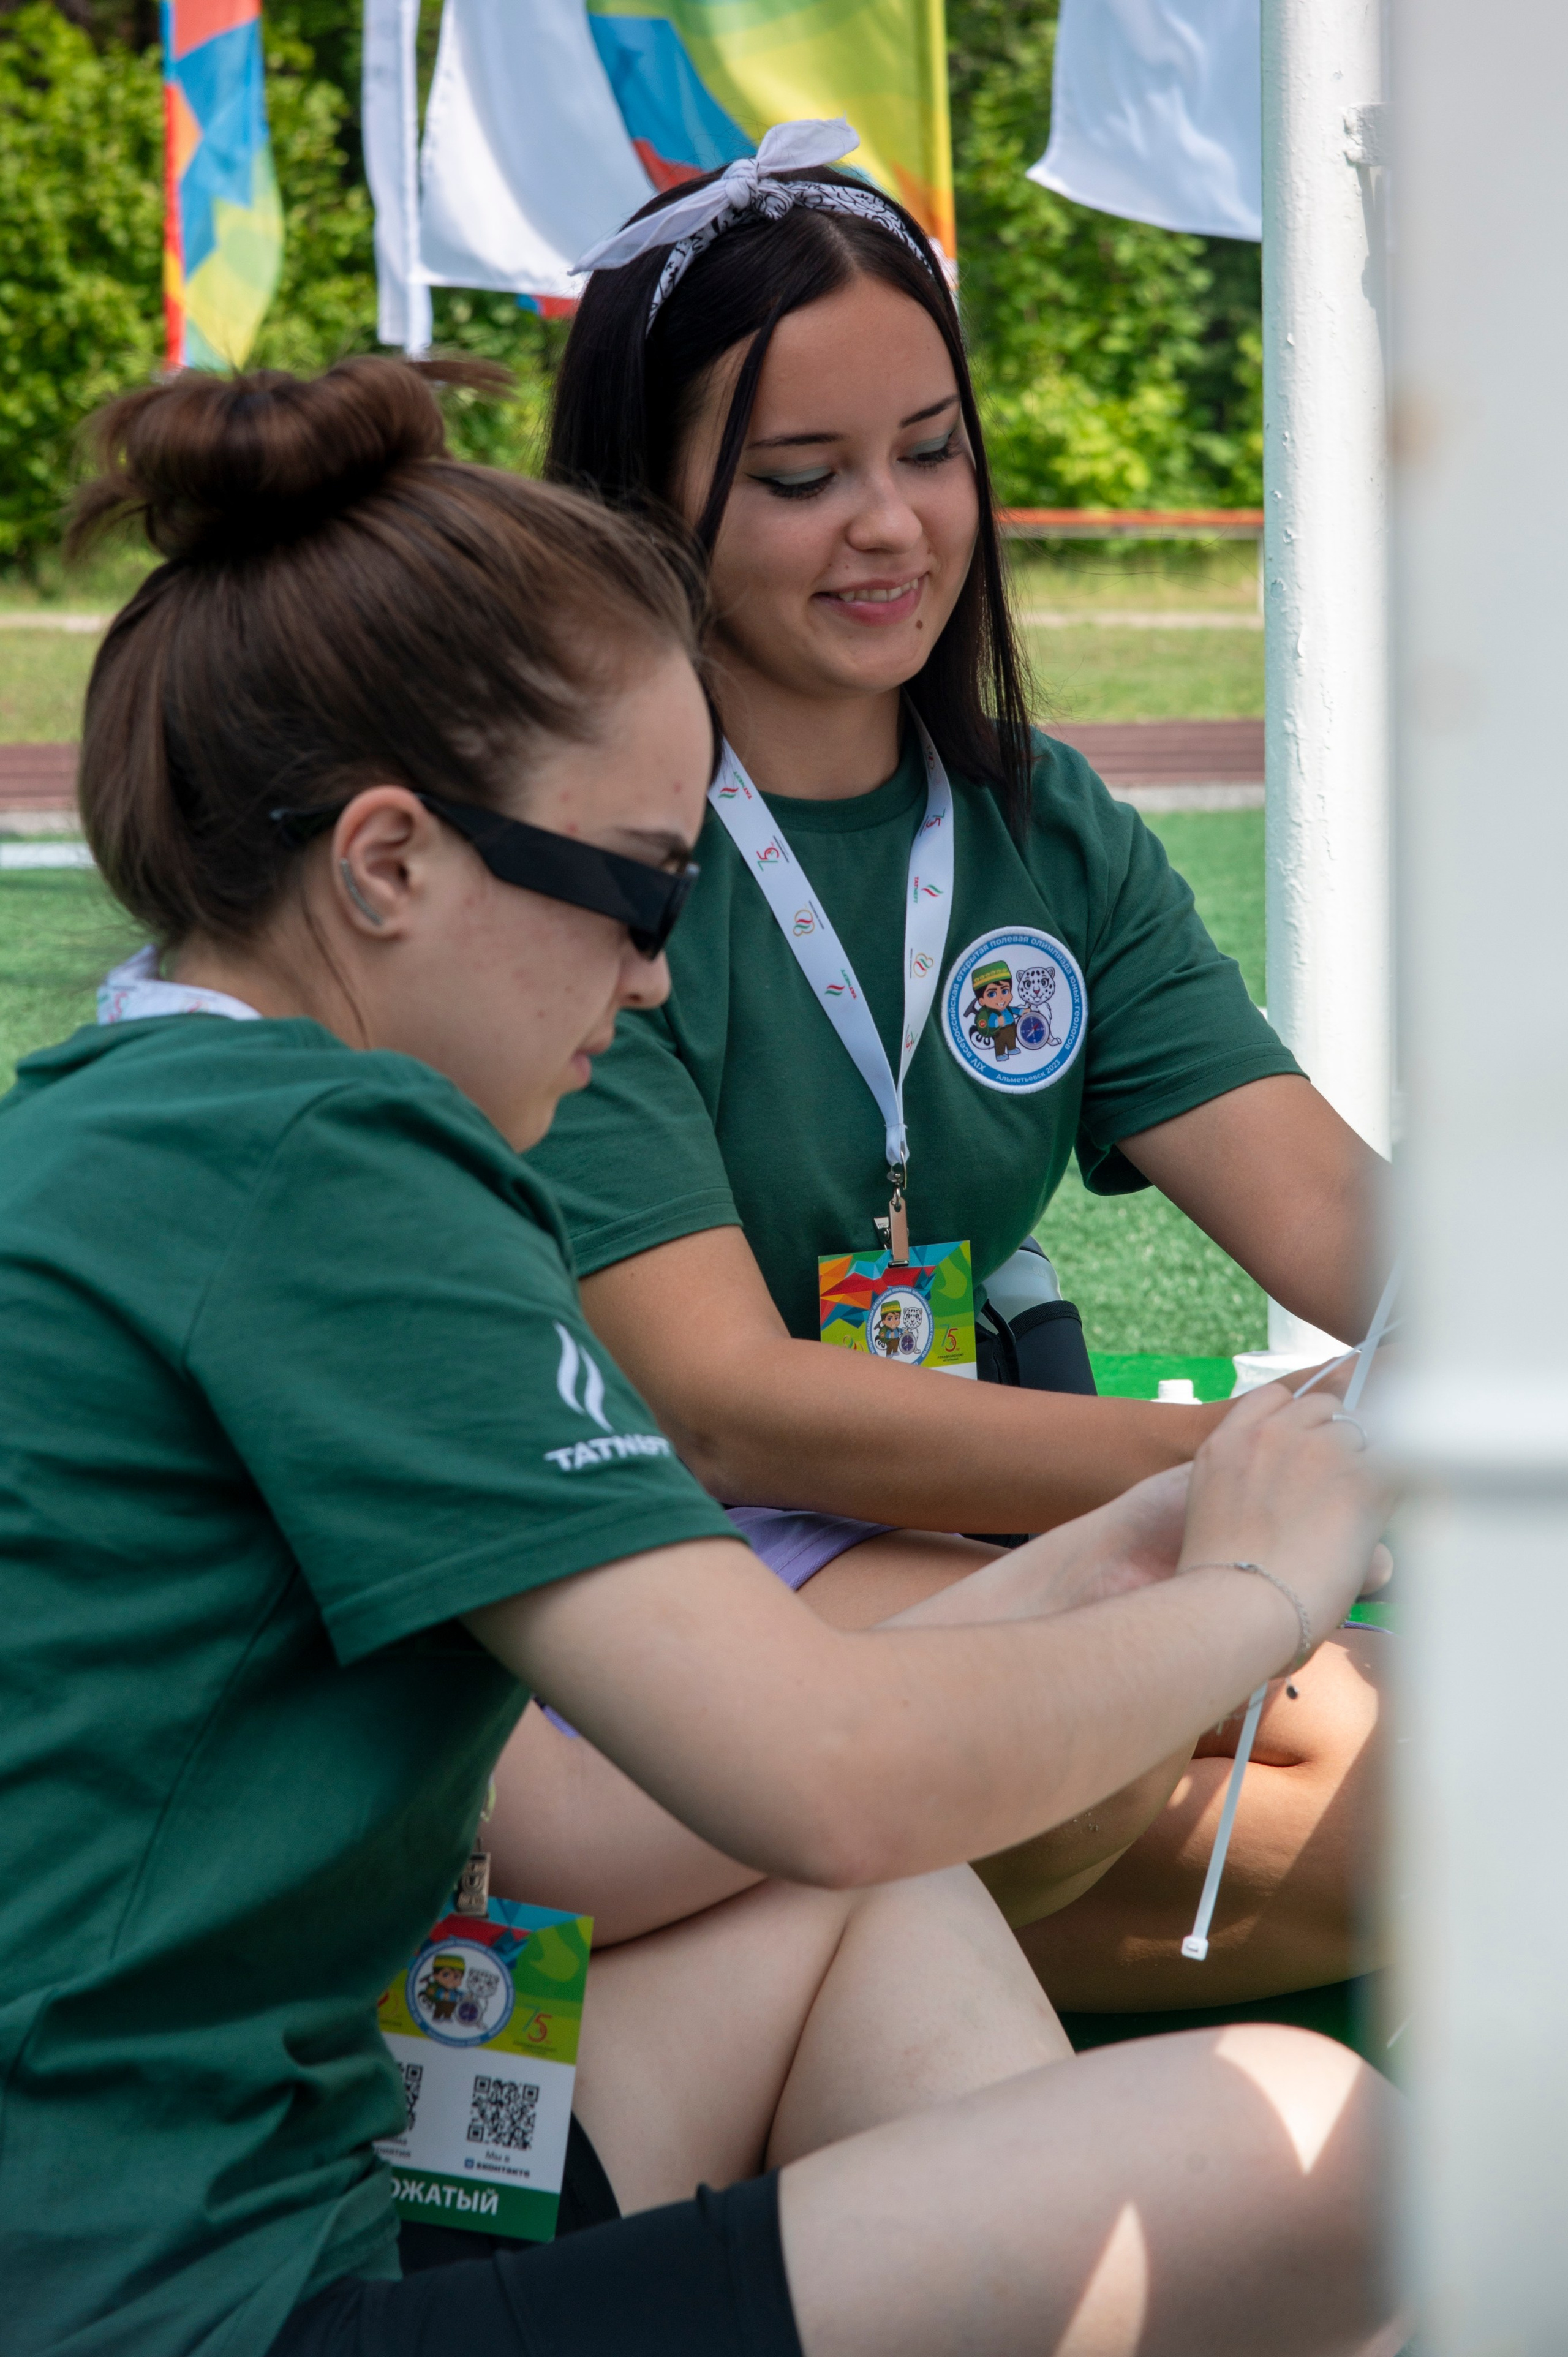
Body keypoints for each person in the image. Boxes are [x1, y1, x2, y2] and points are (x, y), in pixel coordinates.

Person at [0, 357, 1406, 2357]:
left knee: (863, 1908)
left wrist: (1123, 1546)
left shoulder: (140, 1118)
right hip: (182, 2305)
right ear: (387, 865)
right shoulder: (340, 1166)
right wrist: (1264, 1590)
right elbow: (825, 1777)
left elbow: (573, 1831)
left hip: (205, 2223)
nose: (658, 970)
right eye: (640, 887)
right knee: (1308, 2144)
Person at [516, 124, 1390, 2010]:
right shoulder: (575, 851)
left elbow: (1325, 1206)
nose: (894, 523)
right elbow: (729, 1409)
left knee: (1412, 1772)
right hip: (653, 1547)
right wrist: (1229, 1477)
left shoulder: (1033, 822)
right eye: (801, 477)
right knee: (1398, 1785)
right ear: (646, 507)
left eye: (931, 449)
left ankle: (773, 1983)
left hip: (945, 1520)